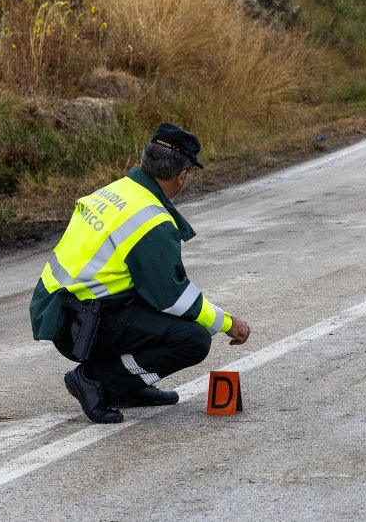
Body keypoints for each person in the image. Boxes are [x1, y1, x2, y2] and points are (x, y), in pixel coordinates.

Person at [29, 123, 251, 423]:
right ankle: (96, 381)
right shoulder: (150, 220)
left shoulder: (117, 190)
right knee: (193, 339)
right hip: (81, 325)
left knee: (159, 311)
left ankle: (130, 385)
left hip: (63, 311)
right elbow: (173, 296)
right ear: (182, 176)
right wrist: (227, 323)